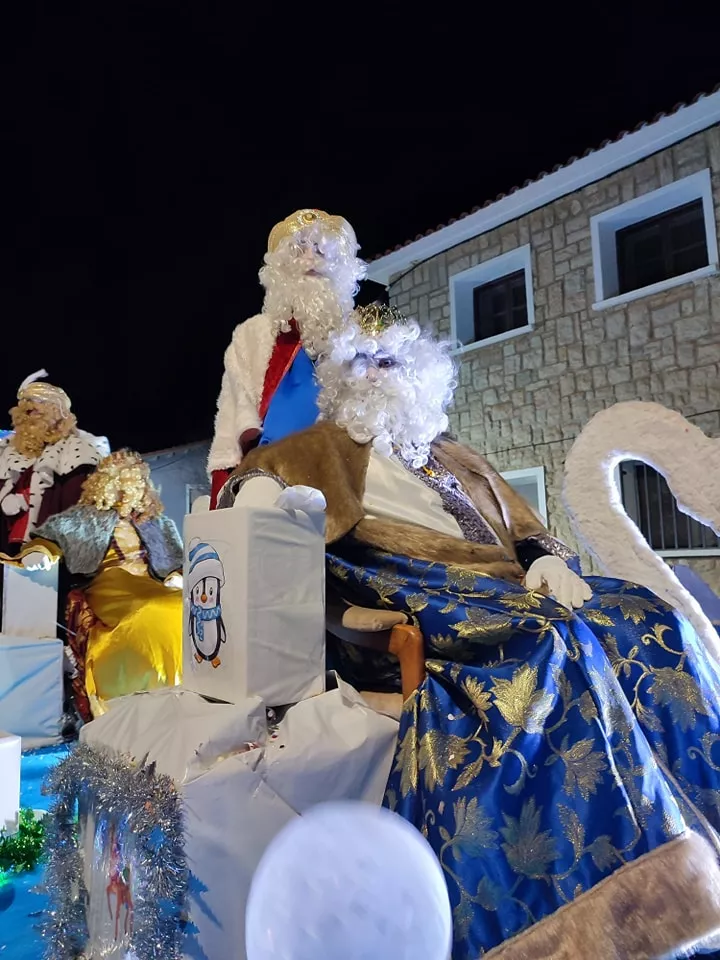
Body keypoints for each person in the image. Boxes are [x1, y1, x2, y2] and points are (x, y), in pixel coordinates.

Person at [218, 304, 720, 960]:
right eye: (360, 364)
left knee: (650, 618)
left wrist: (543, 558)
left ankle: (701, 828)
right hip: (426, 592)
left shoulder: (456, 454)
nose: (375, 374)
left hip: (515, 584)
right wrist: (260, 499)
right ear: (340, 380)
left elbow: (524, 525)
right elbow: (255, 482)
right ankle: (608, 912)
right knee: (548, 645)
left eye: (389, 361)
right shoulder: (317, 447)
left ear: (419, 373)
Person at [207, 208, 365, 507]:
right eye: (298, 250)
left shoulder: (360, 335)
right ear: (280, 270)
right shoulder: (252, 335)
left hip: (346, 466)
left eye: (321, 250)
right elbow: (229, 425)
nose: (310, 259)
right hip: (272, 466)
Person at [17, 450, 183, 721]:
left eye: (137, 481)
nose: (130, 487)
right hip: (111, 583)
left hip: (152, 582)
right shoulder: (86, 517)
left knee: (179, 605)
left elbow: (178, 560)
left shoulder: (159, 523)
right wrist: (41, 551)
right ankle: (132, 693)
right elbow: (50, 536)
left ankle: (177, 690)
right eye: (123, 481)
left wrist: (178, 575)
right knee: (150, 608)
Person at [0, 371, 106, 557]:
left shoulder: (76, 451)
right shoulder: (7, 450)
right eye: (26, 414)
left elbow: (76, 507)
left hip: (51, 553)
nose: (29, 419)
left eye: (37, 411)